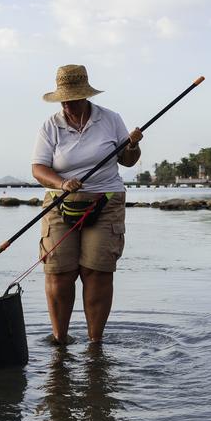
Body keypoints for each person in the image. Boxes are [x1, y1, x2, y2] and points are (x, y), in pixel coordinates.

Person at [31, 65, 143, 345]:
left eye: (74, 98)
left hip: (106, 200)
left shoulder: (110, 119)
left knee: (97, 272)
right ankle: (60, 341)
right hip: (61, 202)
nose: (68, 104)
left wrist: (132, 145)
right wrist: (61, 183)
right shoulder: (50, 125)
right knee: (59, 272)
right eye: (64, 99)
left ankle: (95, 343)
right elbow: (38, 168)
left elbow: (127, 160)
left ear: (86, 96)